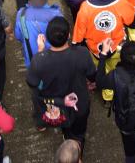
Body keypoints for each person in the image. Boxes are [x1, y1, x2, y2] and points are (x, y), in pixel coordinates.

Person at [26, 16, 96, 145]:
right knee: (78, 135)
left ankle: (67, 135)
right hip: (79, 105)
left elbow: (32, 82)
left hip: (56, 106)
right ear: (68, 35)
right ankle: (76, 152)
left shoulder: (39, 59)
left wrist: (40, 52)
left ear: (46, 38)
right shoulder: (82, 53)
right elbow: (92, 75)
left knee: (65, 126)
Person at [72, 0, 135, 101]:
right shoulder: (121, 3)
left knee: (100, 71)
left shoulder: (85, 7)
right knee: (114, 70)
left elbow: (78, 35)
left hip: (95, 49)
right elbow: (130, 20)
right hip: (116, 46)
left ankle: (106, 95)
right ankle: (112, 93)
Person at [14, 0, 63, 67]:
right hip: (52, 61)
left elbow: (19, 37)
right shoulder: (57, 15)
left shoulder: (21, 14)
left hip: (32, 60)